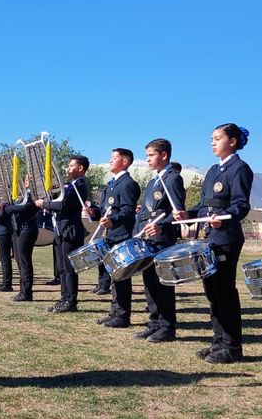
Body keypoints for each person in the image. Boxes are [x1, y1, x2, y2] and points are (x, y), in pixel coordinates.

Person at [175, 124, 254, 363]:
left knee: (224, 292)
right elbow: (204, 204)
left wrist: (223, 218)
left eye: (217, 138)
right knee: (211, 292)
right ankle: (218, 341)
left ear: (232, 141)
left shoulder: (240, 168)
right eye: (211, 138)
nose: (212, 143)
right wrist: (187, 214)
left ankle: (232, 346)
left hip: (225, 238)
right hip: (207, 238)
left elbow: (241, 205)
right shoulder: (212, 170)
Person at [134, 139, 186, 342]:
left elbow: (178, 211)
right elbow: (145, 212)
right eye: (146, 155)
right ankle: (154, 322)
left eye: (151, 155)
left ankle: (167, 326)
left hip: (162, 237)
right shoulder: (152, 181)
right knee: (149, 282)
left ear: (164, 155)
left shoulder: (172, 179)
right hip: (147, 237)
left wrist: (161, 225)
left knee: (162, 283)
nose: (147, 159)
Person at [90, 148, 140, 328]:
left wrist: (112, 220)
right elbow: (105, 210)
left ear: (125, 161)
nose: (110, 161)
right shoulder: (111, 184)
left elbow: (128, 211)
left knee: (122, 277)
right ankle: (115, 312)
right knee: (113, 277)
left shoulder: (127, 184)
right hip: (110, 236)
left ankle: (123, 316)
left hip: (122, 235)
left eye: (114, 158)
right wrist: (94, 212)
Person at [35, 156, 90, 313]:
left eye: (71, 165)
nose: (68, 168)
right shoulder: (70, 185)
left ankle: (71, 300)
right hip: (61, 230)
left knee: (69, 269)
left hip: (70, 231)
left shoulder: (79, 185)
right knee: (62, 268)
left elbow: (64, 205)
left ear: (80, 168)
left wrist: (43, 204)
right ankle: (64, 298)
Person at [1, 179, 39, 301]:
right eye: (26, 180)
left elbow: (25, 208)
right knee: (19, 261)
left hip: (27, 229)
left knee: (24, 261)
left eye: (29, 180)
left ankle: (27, 292)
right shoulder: (21, 195)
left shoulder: (34, 195)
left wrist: (8, 208)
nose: (26, 182)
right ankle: (23, 290)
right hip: (19, 229)